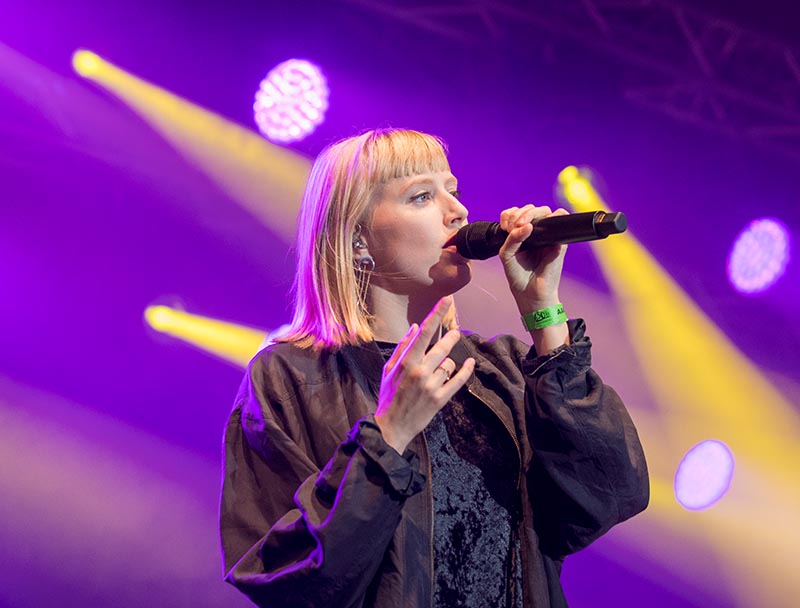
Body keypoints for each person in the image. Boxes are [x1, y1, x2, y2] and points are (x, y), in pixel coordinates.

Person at [219, 128, 649, 608]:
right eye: (422, 196)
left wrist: (544, 313)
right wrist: (390, 433)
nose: (459, 210)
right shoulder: (292, 377)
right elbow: (286, 576)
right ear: (358, 238)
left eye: (454, 190)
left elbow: (606, 496)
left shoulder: (499, 369)